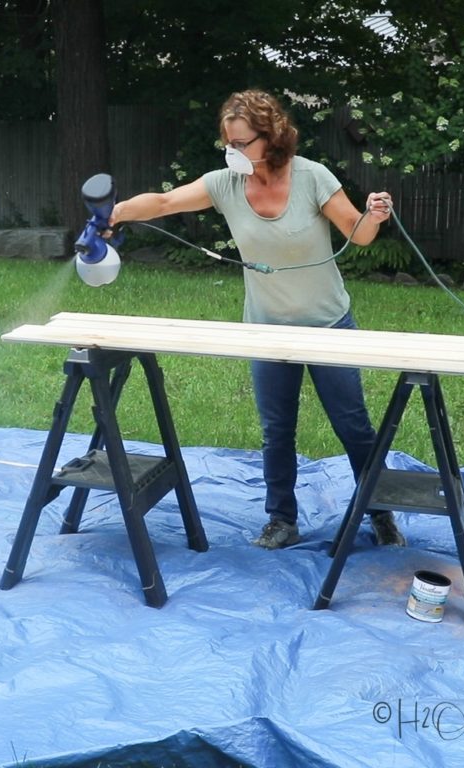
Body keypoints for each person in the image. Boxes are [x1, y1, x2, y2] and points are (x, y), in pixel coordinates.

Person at [109, 89, 405, 550]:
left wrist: (375, 215)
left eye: (243, 143)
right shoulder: (226, 183)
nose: (235, 152)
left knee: (353, 426)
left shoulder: (311, 177)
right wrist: (119, 213)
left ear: (271, 137)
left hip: (327, 323)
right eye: (229, 144)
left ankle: (380, 512)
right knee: (276, 430)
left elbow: (358, 234)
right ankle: (282, 520)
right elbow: (166, 204)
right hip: (265, 329)